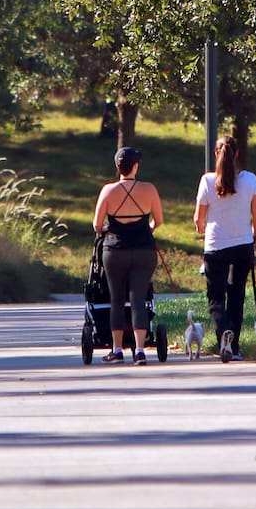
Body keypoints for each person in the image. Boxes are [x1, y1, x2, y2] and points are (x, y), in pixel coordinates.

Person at [193, 136, 256, 363]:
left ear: (216, 154)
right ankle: (234, 346)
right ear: (238, 153)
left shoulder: (207, 181)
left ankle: (224, 331)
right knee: (236, 295)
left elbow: (199, 219)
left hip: (216, 246)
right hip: (242, 245)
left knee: (215, 296)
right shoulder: (250, 179)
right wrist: (252, 235)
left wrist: (201, 227)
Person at [92, 147, 163, 365]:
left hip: (115, 251)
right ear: (135, 166)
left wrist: (107, 228)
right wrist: (145, 230)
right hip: (143, 250)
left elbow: (97, 225)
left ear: (117, 167)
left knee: (116, 299)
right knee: (138, 298)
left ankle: (117, 349)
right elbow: (158, 221)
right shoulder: (149, 189)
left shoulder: (107, 191)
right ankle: (140, 350)